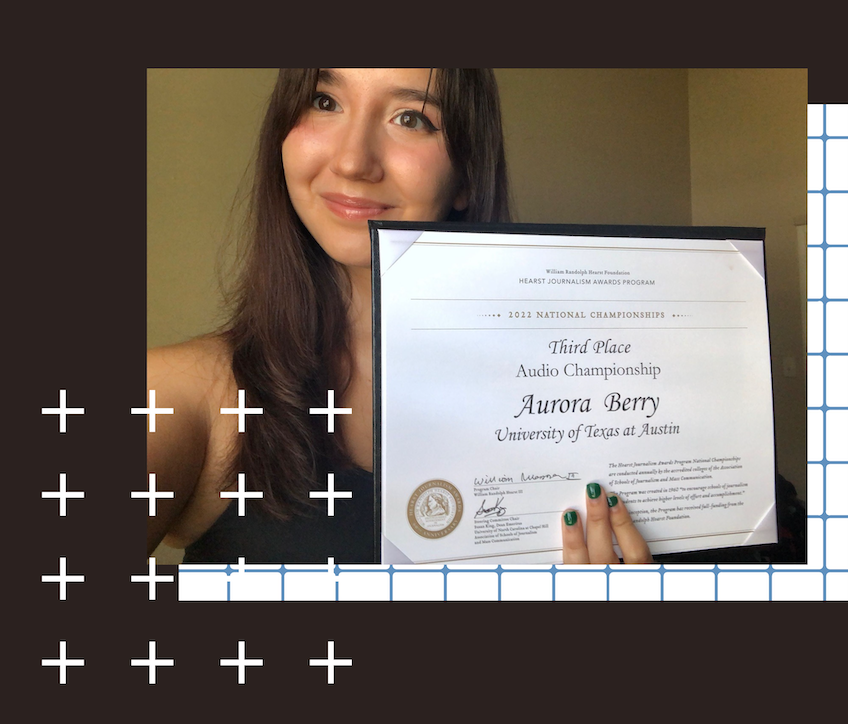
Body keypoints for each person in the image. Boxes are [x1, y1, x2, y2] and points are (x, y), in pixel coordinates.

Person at [147, 68, 651, 565]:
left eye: (411, 117)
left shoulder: (584, 395)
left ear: (467, 176)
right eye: (324, 102)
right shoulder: (175, 392)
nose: (351, 161)